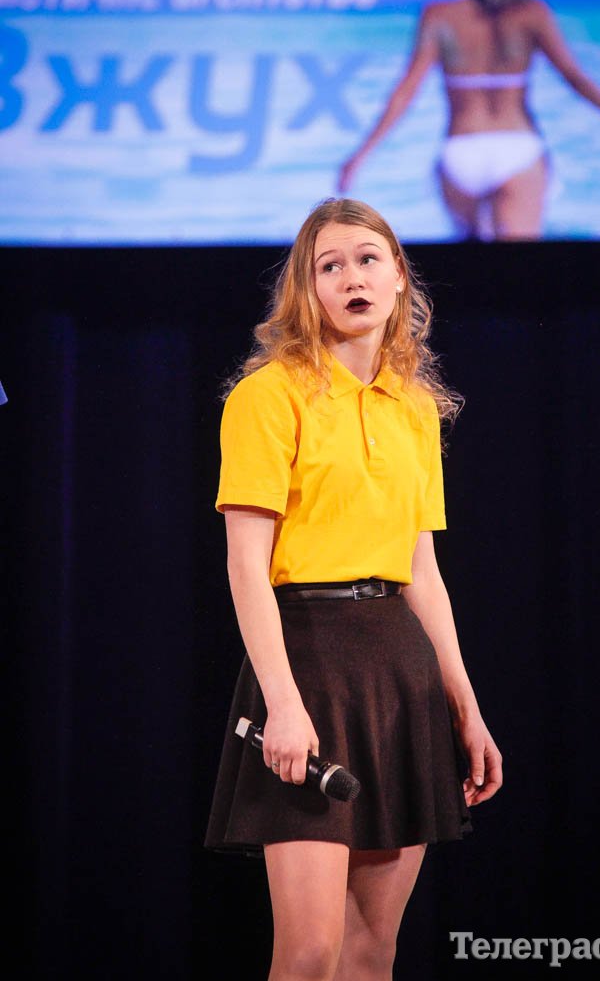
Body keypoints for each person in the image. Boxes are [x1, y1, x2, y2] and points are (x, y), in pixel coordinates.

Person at [204, 197, 502, 981]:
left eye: (367, 259)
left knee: (372, 952)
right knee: (309, 952)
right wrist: (283, 703)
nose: (351, 278)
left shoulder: (413, 407)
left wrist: (465, 706)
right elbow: (245, 566)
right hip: (308, 661)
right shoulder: (269, 395)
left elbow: (422, 571)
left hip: (398, 666)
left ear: (399, 276)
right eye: (328, 266)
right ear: (307, 290)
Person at [338, 0, 600, 241]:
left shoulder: (439, 15)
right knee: (520, 275)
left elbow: (405, 92)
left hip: (460, 153)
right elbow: (576, 80)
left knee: (467, 276)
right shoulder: (531, 14)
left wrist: (361, 155)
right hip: (518, 151)